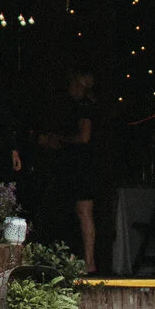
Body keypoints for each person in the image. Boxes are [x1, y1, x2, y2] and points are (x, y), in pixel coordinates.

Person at [36, 70, 102, 275]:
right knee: (78, 211)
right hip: (80, 166)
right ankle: (78, 259)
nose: (69, 89)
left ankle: (89, 262)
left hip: (82, 167)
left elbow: (84, 137)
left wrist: (59, 140)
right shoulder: (83, 105)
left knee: (83, 212)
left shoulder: (84, 107)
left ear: (79, 85)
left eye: (72, 84)